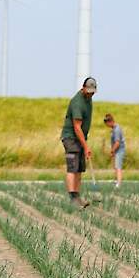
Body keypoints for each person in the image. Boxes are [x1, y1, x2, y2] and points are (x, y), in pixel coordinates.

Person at [60, 77, 97, 208]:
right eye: (89, 91)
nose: (90, 94)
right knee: (73, 168)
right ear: (83, 88)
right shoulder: (77, 102)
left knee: (80, 169)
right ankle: (72, 199)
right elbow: (77, 127)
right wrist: (86, 146)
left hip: (80, 138)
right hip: (71, 138)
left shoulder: (89, 99)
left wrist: (84, 143)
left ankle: (77, 197)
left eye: (93, 92)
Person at [104, 113, 126, 188]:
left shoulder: (116, 130)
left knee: (118, 166)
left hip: (119, 150)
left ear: (110, 121)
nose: (107, 125)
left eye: (107, 123)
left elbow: (117, 143)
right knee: (115, 166)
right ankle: (116, 179)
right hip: (116, 150)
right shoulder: (113, 129)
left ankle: (118, 183)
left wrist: (112, 151)